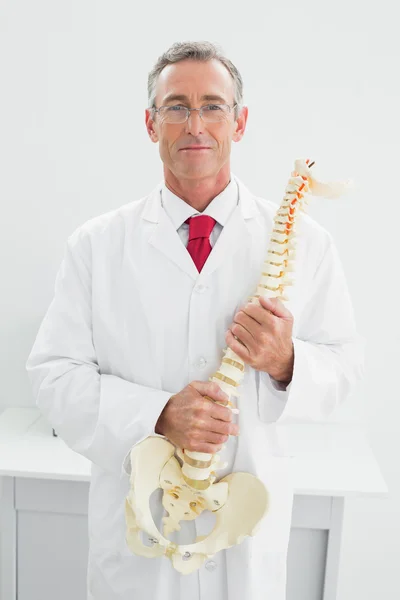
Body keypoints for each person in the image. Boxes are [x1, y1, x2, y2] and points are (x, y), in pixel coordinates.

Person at [26, 41, 365, 600]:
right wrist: (157, 415)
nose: (195, 124)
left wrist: (286, 361)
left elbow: (345, 362)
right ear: (150, 123)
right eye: (176, 106)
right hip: (139, 547)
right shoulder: (96, 246)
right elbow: (54, 376)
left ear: (240, 121)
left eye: (213, 105)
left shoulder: (307, 244)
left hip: (244, 551)